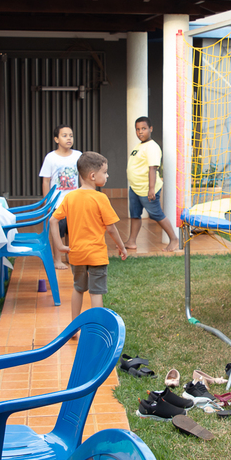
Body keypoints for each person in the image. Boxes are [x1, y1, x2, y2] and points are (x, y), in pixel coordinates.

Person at [50, 151, 128, 320]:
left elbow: (53, 220)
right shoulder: (101, 198)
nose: (107, 175)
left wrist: (59, 245)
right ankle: (96, 328)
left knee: (78, 289)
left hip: (76, 254)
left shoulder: (70, 197)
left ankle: (74, 326)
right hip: (96, 255)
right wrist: (121, 247)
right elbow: (111, 228)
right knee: (96, 292)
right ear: (93, 176)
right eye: (105, 172)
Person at [126, 116, 180, 252]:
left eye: (143, 128)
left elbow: (152, 168)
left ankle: (174, 239)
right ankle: (131, 241)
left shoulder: (152, 147)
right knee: (135, 214)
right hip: (135, 188)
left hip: (146, 189)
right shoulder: (139, 146)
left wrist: (151, 189)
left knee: (156, 214)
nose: (140, 132)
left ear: (150, 129)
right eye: (137, 129)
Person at [39, 124, 82, 270]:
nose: (69, 138)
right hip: (57, 203)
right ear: (56, 139)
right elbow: (46, 181)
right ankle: (57, 259)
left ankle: (71, 256)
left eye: (71, 135)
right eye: (64, 136)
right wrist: (47, 202)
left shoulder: (78, 155)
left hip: (74, 201)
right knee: (57, 231)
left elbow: (82, 177)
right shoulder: (51, 158)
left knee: (72, 230)